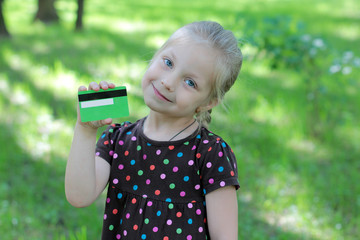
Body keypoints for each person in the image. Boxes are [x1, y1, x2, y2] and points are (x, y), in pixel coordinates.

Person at [65, 21, 243, 240]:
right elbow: (78, 196)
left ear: (208, 102)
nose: (168, 82)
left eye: (190, 82)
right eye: (168, 62)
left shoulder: (210, 154)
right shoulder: (118, 140)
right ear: (155, 56)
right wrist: (85, 132)